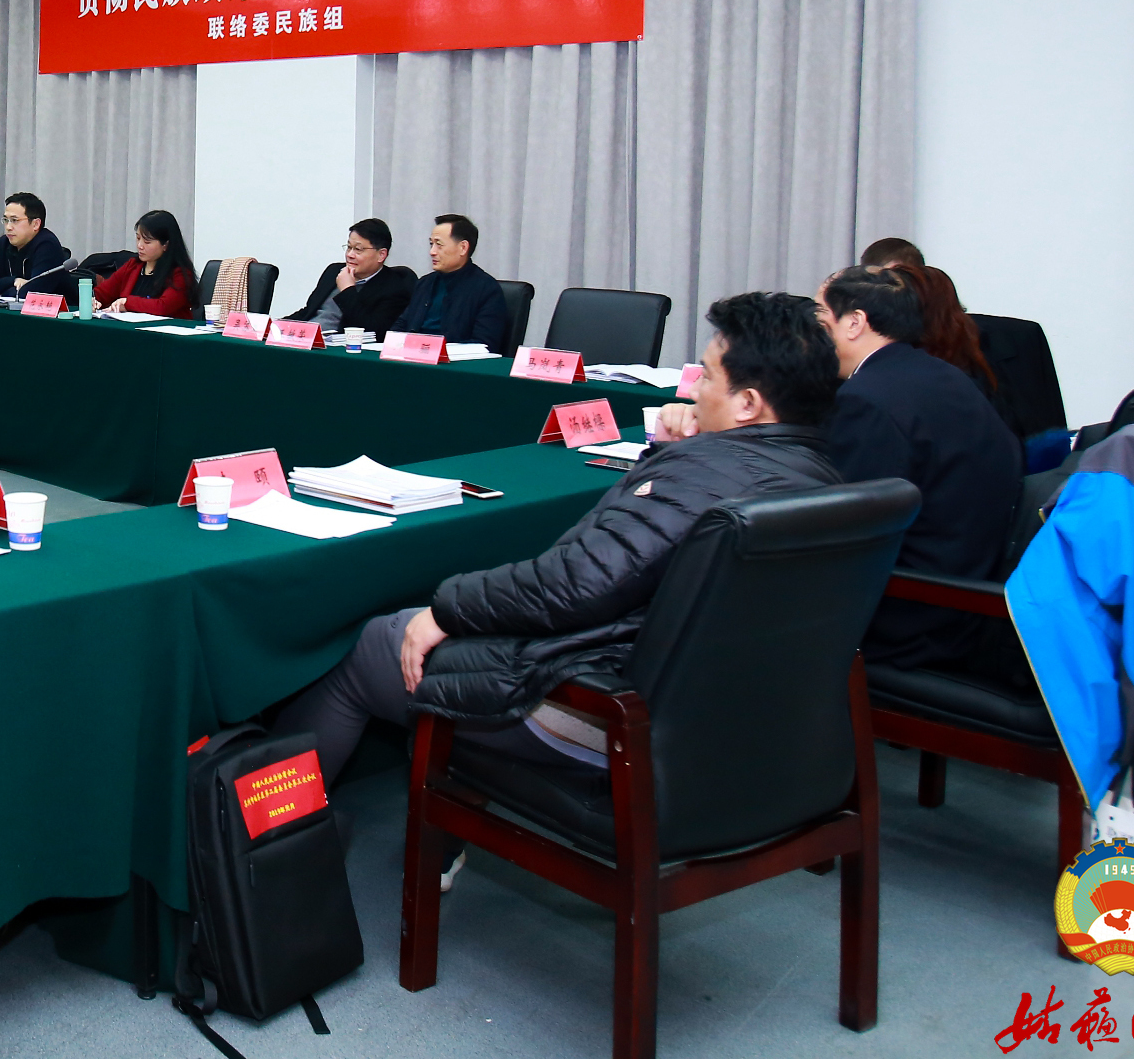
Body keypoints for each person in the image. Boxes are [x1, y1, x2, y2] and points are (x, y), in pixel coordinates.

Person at [279, 291, 844, 787]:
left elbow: (575, 585)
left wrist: (446, 609)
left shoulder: (705, 474)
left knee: (371, 642)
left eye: (708, 377)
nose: (692, 388)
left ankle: (274, 841)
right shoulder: (824, 478)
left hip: (616, 714)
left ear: (747, 404)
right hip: (746, 719)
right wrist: (673, 453)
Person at [814, 264, 1022, 670]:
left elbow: (844, 533)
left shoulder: (866, 400)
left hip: (910, 620)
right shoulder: (945, 376)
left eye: (822, 320)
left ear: (854, 323)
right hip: (968, 602)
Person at [388, 214, 510, 348]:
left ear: (463, 248)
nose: (432, 252)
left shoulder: (486, 289)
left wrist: (435, 349)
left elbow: (484, 344)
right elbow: (402, 325)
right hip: (414, 356)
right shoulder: (425, 283)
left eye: (439, 245)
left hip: (453, 359)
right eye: (431, 244)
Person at [287, 218, 419, 334]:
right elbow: (309, 311)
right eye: (349, 247)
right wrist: (278, 326)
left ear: (381, 255)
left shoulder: (394, 287)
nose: (350, 255)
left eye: (358, 249)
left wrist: (347, 290)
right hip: (306, 339)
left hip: (338, 348)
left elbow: (371, 330)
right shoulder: (334, 271)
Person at [97, 210, 197, 318]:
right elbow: (102, 293)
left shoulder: (181, 274)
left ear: (165, 245)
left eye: (147, 242)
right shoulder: (132, 266)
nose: (140, 245)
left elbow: (162, 307)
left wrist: (128, 303)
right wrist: (92, 300)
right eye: (138, 238)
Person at [0, 192, 68, 297]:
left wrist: (0, 291)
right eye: (6, 220)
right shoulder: (3, 243)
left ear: (35, 224)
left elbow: (33, 293)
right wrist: (13, 281)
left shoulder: (47, 245)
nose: (8, 227)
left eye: (14, 220)